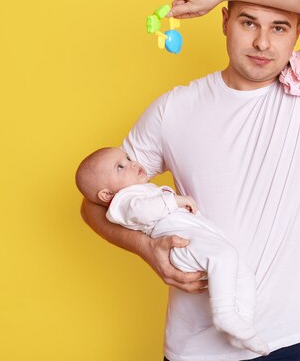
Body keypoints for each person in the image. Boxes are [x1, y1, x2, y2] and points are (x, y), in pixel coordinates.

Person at [81, 0, 300, 361]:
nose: (263, 43)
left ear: (299, 32)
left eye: (279, 27)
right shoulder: (174, 109)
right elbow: (97, 200)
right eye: (248, 22)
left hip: (297, 337)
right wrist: (147, 250)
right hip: (197, 348)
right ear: (225, 20)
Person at [75, 147, 269, 355]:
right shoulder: (122, 201)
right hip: (180, 243)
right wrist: (175, 201)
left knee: (242, 274)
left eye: (128, 158)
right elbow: (140, 211)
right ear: (106, 194)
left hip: (192, 239)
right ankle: (225, 313)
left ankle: (242, 325)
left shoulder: (140, 190)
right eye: (120, 167)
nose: (132, 163)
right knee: (224, 257)